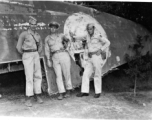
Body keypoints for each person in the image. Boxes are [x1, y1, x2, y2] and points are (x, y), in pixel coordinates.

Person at [71, 23, 110, 98]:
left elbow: (107, 42)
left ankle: (98, 92)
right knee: (86, 73)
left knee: (97, 74)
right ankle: (85, 91)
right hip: (90, 57)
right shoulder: (87, 36)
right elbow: (79, 37)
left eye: (91, 29)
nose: (89, 30)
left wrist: (101, 49)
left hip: (96, 56)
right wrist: (73, 36)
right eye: (88, 29)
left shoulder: (98, 35)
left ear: (93, 28)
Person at [16, 16, 43, 107]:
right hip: (27, 55)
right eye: (31, 24)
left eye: (35, 25)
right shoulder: (24, 34)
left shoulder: (37, 35)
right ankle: (28, 98)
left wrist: (36, 53)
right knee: (29, 77)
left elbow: (40, 46)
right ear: (29, 25)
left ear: (36, 25)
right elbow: (18, 47)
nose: (33, 26)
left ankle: (38, 95)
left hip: (35, 55)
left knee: (38, 75)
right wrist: (25, 54)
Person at [45, 21, 72, 100]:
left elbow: (69, 41)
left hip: (63, 54)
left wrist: (66, 46)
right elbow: (47, 50)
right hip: (54, 56)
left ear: (57, 29)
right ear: (49, 28)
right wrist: (48, 60)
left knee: (66, 73)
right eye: (51, 27)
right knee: (58, 75)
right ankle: (61, 92)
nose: (53, 29)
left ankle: (69, 90)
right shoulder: (47, 38)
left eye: (54, 27)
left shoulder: (61, 35)